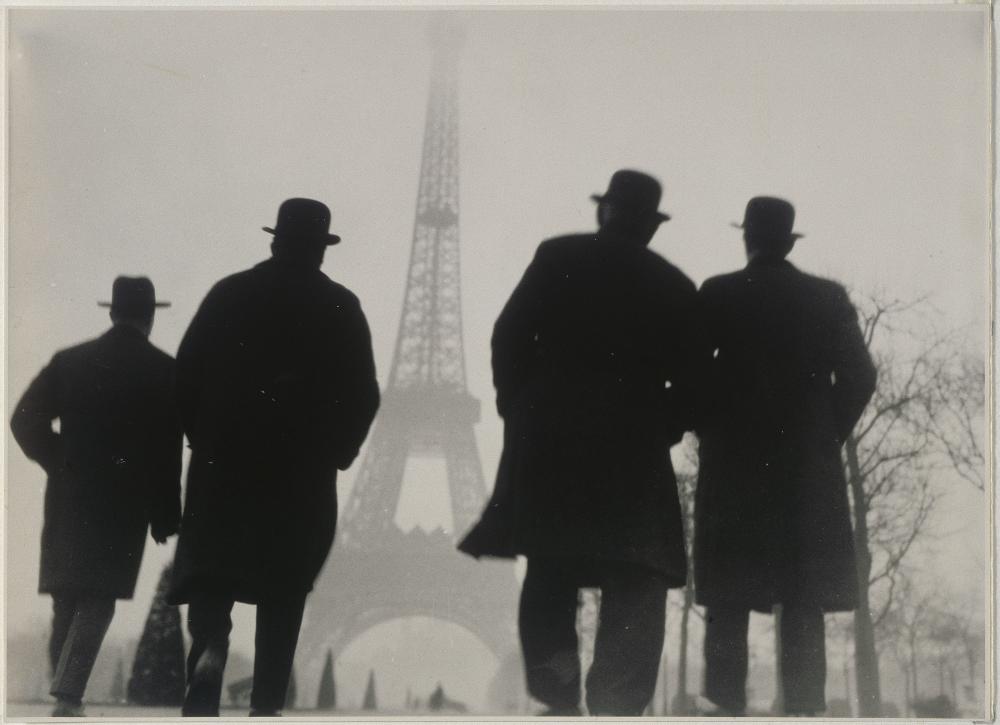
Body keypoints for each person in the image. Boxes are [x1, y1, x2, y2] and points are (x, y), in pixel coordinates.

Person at [459, 170, 700, 716]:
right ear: (651, 227)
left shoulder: (556, 257)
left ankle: (557, 698)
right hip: (632, 451)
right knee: (635, 581)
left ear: (603, 212)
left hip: (552, 444)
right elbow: (693, 381)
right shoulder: (675, 285)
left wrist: (517, 406)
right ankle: (617, 705)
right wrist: (665, 425)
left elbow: (508, 334)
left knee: (550, 572)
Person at [169, 198, 380, 717]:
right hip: (299, 474)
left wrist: (204, 436)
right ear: (321, 251)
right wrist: (338, 452)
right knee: (284, 589)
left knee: (215, 575)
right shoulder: (341, 306)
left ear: (274, 240)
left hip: (225, 465)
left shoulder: (229, 294)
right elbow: (364, 395)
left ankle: (210, 653)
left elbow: (185, 376)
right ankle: (265, 703)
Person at [694, 197, 877, 716]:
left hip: (734, 471)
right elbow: (861, 376)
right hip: (805, 476)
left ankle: (726, 707)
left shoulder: (719, 294)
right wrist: (824, 437)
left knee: (727, 600)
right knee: (803, 600)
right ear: (789, 240)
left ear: (747, 238)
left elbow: (689, 374)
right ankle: (801, 711)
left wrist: (712, 427)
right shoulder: (827, 297)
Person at [10, 276, 182, 717]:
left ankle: (65, 693)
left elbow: (23, 421)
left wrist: (59, 461)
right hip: (123, 502)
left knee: (66, 596)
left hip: (69, 496)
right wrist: (165, 513)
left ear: (112, 312)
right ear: (149, 318)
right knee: (98, 597)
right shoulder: (164, 370)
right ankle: (67, 695)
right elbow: (167, 451)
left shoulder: (70, 362)